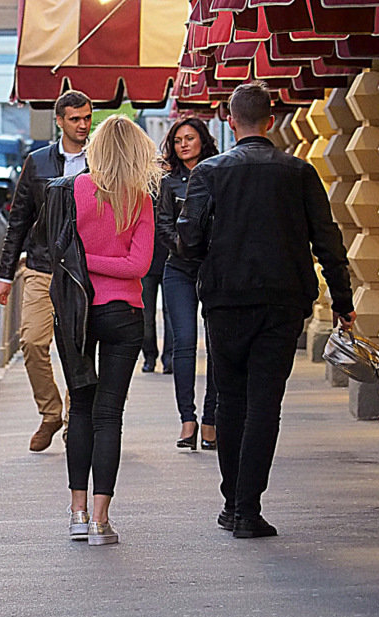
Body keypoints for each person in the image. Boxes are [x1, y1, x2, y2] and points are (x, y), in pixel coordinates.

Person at [176, 82, 355, 539]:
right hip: (282, 301)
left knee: (230, 400)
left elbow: (188, 240)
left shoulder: (210, 173)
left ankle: (231, 504)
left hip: (225, 300)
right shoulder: (298, 172)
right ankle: (248, 509)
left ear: (230, 122)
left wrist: (205, 270)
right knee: (264, 406)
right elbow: (327, 240)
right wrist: (342, 301)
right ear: (271, 121)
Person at [47, 115, 159, 546]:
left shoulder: (72, 190)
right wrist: (102, 263)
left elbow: (57, 253)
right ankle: (100, 520)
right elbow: (138, 266)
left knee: (80, 408)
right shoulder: (140, 198)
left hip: (76, 312)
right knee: (109, 414)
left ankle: (75, 514)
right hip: (123, 312)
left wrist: (81, 262)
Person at [0, 90, 92, 452]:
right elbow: (19, 220)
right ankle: (50, 412)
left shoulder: (100, 160)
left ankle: (73, 419)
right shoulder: (37, 162)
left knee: (79, 348)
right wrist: (4, 275)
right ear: (60, 121)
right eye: (76, 119)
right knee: (33, 341)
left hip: (86, 270)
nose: (83, 125)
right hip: (41, 266)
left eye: (87, 117)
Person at [157, 116, 220, 450]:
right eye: (178, 139)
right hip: (178, 268)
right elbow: (162, 224)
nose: (183, 144)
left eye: (190, 138)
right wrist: (183, 247)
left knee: (216, 345)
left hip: (212, 269)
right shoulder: (168, 182)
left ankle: (211, 420)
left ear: (202, 141)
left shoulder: (217, 174)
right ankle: (187, 420)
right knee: (183, 342)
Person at [140, 195, 173, 374]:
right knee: (146, 315)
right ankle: (150, 356)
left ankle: (169, 358)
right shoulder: (144, 191)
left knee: (170, 314)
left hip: (170, 259)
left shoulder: (176, 184)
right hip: (147, 262)